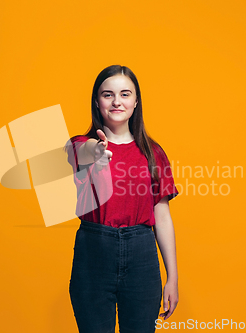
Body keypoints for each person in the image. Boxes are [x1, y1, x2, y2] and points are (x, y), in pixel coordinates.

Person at [64, 65, 179, 333]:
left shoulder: (153, 153)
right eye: (108, 95)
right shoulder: (82, 144)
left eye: (125, 94)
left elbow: (162, 218)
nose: (117, 101)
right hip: (94, 253)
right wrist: (97, 152)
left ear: (136, 101)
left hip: (142, 254)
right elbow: (77, 151)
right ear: (96, 101)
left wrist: (172, 277)